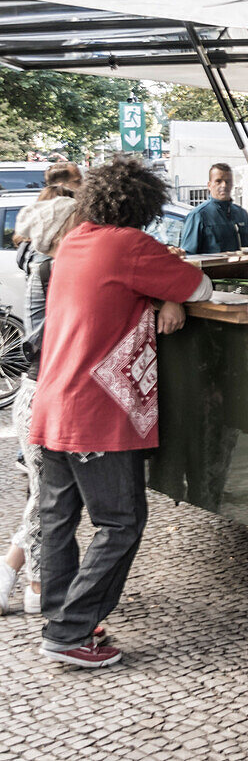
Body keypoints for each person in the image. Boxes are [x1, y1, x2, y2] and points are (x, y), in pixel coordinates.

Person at [29, 157, 213, 668]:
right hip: (97, 411)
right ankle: (69, 632)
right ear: (143, 205)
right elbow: (200, 288)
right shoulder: (130, 245)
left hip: (53, 403)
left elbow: (109, 295)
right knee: (121, 521)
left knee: (58, 520)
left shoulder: (75, 241)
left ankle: (62, 620)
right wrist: (165, 295)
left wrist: (155, 296)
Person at [0, 192, 80, 617]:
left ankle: (18, 575)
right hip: (43, 389)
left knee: (47, 494)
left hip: (40, 389)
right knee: (48, 498)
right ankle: (32, 582)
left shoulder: (45, 263)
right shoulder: (53, 266)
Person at [180, 163, 248, 254]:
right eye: (218, 181)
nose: (224, 185)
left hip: (242, 267)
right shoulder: (198, 216)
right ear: (209, 185)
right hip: (212, 268)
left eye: (228, 181)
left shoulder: (242, 214)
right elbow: (188, 255)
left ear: (232, 185)